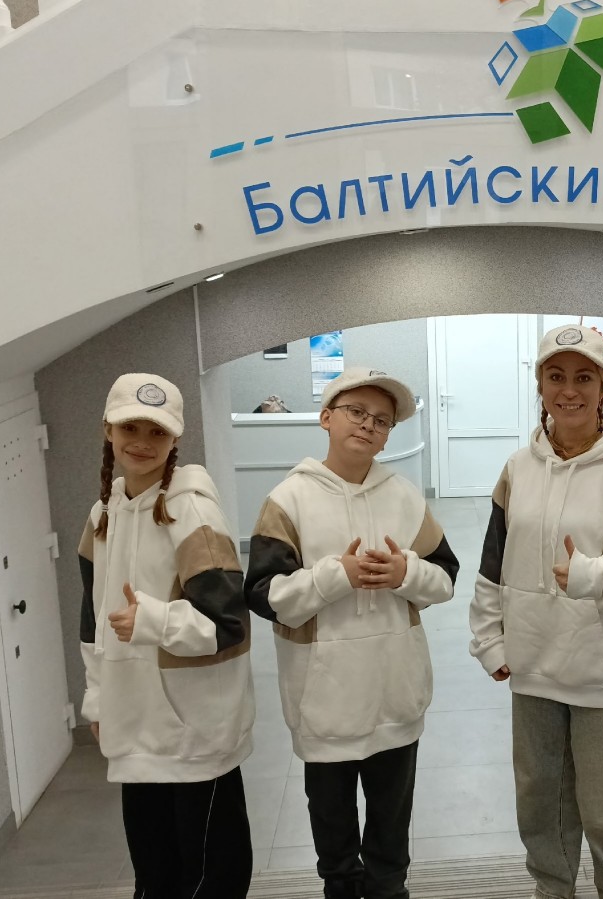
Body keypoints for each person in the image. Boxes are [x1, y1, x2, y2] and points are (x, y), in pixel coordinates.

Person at [469, 324, 603, 899]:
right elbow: (492, 564)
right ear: (540, 385)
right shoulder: (518, 468)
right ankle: (552, 890)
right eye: (556, 376)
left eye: (584, 377)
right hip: (531, 669)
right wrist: (489, 639)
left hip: (601, 674)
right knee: (540, 804)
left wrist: (594, 576)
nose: (569, 390)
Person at [244, 367, 459, 899]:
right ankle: (340, 887)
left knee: (391, 822)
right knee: (332, 822)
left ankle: (389, 889)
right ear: (326, 418)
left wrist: (406, 573)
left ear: (389, 435)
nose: (368, 425)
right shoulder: (288, 500)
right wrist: (335, 575)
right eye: (356, 412)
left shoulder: (405, 497)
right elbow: (266, 597)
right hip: (324, 702)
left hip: (395, 694)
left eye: (381, 420)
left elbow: (445, 579)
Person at [77, 372, 255, 898]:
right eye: (130, 427)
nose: (142, 442)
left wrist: (153, 621)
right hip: (135, 727)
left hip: (194, 732)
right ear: (108, 430)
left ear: (175, 439)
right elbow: (92, 619)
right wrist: (98, 700)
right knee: (155, 875)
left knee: (211, 877)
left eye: (157, 431)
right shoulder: (102, 515)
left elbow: (229, 624)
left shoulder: (192, 509)